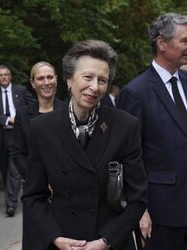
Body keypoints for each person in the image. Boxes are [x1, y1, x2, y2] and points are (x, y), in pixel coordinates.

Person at [22, 39, 147, 250]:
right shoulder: (42, 128)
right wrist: (55, 237)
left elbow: (138, 198)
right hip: (62, 241)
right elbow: (34, 196)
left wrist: (105, 241)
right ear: (69, 79)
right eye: (88, 77)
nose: (94, 87)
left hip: (108, 241)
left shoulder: (125, 126)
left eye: (102, 80)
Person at [118, 13, 187, 250]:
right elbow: (129, 155)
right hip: (163, 212)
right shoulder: (135, 92)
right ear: (162, 43)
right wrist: (139, 209)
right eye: (185, 41)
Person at [12, 61, 64, 250]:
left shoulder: (69, 111)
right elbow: (17, 153)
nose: (46, 82)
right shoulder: (23, 114)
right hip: (36, 192)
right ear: (33, 83)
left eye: (50, 77)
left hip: (64, 192)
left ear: (57, 79)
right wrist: (39, 182)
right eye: (40, 78)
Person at [0, 65, 33, 217]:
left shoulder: (21, 90)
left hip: (17, 135)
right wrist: (7, 119)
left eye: (6, 74)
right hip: (1, 137)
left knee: (14, 170)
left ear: (11, 76)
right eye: (1, 75)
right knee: (5, 171)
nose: (4, 77)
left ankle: (10, 205)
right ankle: (11, 197)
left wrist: (21, 119)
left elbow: (32, 105)